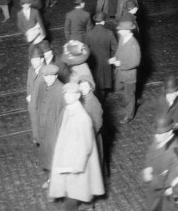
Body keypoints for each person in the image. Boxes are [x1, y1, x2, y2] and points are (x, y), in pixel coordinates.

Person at [49, 82, 104, 210]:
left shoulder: (83, 118)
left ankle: (88, 206)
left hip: (76, 167)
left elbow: (85, 147)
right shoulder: (70, 110)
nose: (67, 97)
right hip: (70, 162)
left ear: (78, 95)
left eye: (71, 94)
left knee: (71, 200)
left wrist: (71, 168)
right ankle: (88, 206)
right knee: (80, 194)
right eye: (65, 94)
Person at [33, 64, 65, 188]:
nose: (49, 79)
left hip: (55, 132)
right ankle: (51, 179)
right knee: (48, 157)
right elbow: (38, 105)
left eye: (52, 77)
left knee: (56, 158)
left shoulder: (62, 90)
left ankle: (57, 185)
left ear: (56, 76)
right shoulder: (41, 85)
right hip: (44, 129)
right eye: (46, 77)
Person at [110, 20, 141, 123]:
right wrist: (115, 58)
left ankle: (129, 115)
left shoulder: (134, 45)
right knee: (122, 89)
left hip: (129, 75)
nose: (119, 32)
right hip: (121, 72)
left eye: (121, 30)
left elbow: (136, 62)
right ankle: (133, 101)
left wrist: (120, 64)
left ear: (128, 30)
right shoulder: (123, 38)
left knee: (129, 95)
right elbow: (119, 51)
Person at [85, 11, 118, 102]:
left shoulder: (89, 34)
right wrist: (112, 58)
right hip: (106, 62)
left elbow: (86, 49)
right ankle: (102, 99)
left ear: (95, 21)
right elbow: (115, 47)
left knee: (95, 80)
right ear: (103, 22)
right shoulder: (109, 33)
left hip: (94, 62)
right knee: (104, 81)